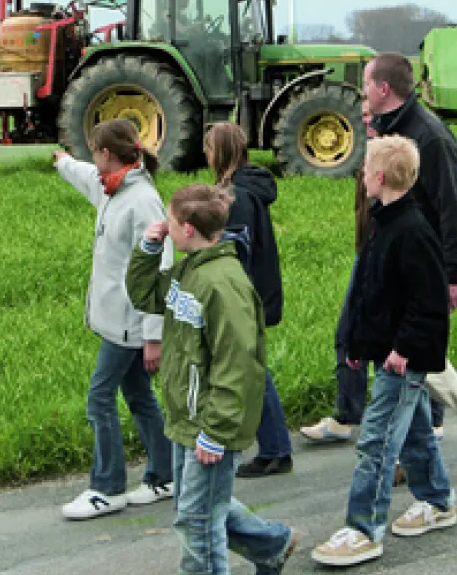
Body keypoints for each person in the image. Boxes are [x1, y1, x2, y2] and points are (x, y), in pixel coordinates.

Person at [302, 54, 457, 474]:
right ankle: (403, 446)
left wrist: (454, 274)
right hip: (378, 252)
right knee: (370, 345)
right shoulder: (382, 129)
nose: (361, 93)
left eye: (366, 84)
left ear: (384, 88)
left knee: (407, 358)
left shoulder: (431, 138)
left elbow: (453, 209)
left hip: (413, 261)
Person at [126, 184, 297, 575]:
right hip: (189, 416)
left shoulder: (222, 285)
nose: (165, 225)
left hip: (211, 423)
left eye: (170, 220)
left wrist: (216, 431)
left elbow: (237, 364)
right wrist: (149, 249)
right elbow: (144, 295)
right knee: (197, 507)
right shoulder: (190, 270)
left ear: (188, 229)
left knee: (198, 523)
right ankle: (272, 545)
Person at [311, 135, 456, 568]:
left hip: (403, 358)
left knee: (376, 440)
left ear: (378, 177)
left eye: (364, 169)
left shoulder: (412, 231)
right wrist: (359, 344)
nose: (360, 175)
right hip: (385, 349)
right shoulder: (383, 223)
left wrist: (404, 350)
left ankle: (364, 529)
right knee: (413, 431)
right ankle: (438, 500)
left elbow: (428, 303)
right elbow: (372, 293)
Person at [52, 119, 175, 520]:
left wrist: (154, 336)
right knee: (139, 396)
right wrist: (63, 163)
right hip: (120, 321)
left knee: (99, 398)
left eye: (94, 153)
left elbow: (160, 269)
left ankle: (108, 489)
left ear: (106, 153)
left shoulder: (142, 201)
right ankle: (165, 475)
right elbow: (87, 177)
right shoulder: (113, 187)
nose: (92, 161)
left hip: (129, 323)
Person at [204, 122, 295, 479]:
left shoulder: (236, 199)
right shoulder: (249, 190)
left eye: (210, 149)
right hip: (257, 293)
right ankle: (272, 446)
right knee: (251, 370)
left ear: (221, 152)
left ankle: (274, 450)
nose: (206, 155)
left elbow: (236, 256)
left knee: (251, 373)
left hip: (244, 298)